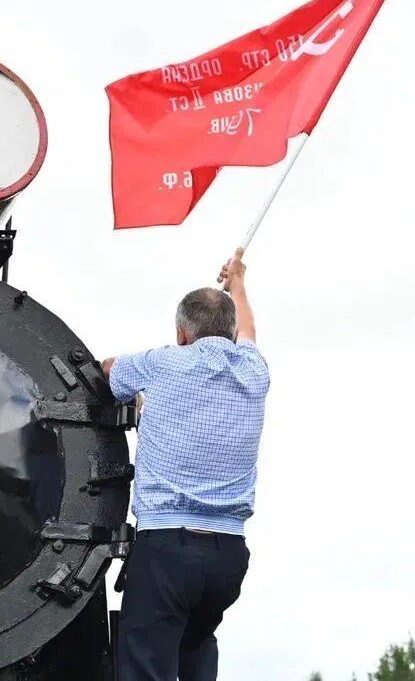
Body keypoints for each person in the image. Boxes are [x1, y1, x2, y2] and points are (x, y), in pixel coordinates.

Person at [102, 247, 270, 681]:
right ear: (231, 333)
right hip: (228, 556)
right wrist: (239, 285)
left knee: (145, 668)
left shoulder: (163, 362)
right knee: (196, 649)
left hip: (167, 551)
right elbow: (248, 333)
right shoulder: (254, 370)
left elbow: (109, 370)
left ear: (182, 333)